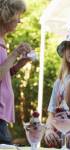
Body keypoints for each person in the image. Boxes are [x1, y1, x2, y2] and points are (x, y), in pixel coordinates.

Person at [44, 27, 70, 148]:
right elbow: (52, 113)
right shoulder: (60, 82)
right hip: (61, 140)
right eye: (69, 47)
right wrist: (49, 130)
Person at [0, 0, 32, 144]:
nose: (20, 20)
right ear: (6, 14)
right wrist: (15, 53)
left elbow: (4, 75)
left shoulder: (2, 42)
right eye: (18, 15)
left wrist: (19, 64)